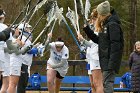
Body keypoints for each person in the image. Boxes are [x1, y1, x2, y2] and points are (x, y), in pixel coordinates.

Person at [83, 1, 124, 93]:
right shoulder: (106, 24)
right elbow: (100, 41)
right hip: (105, 61)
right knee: (105, 84)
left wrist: (111, 65)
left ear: (103, 14)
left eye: (99, 14)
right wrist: (87, 30)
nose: (98, 17)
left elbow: (116, 46)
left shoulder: (113, 24)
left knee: (107, 84)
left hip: (109, 62)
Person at [16, 23, 33, 93]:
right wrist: (35, 50)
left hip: (26, 64)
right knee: (21, 85)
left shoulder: (26, 39)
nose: (29, 30)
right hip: (22, 64)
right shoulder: (22, 38)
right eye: (27, 28)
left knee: (23, 85)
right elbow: (26, 50)